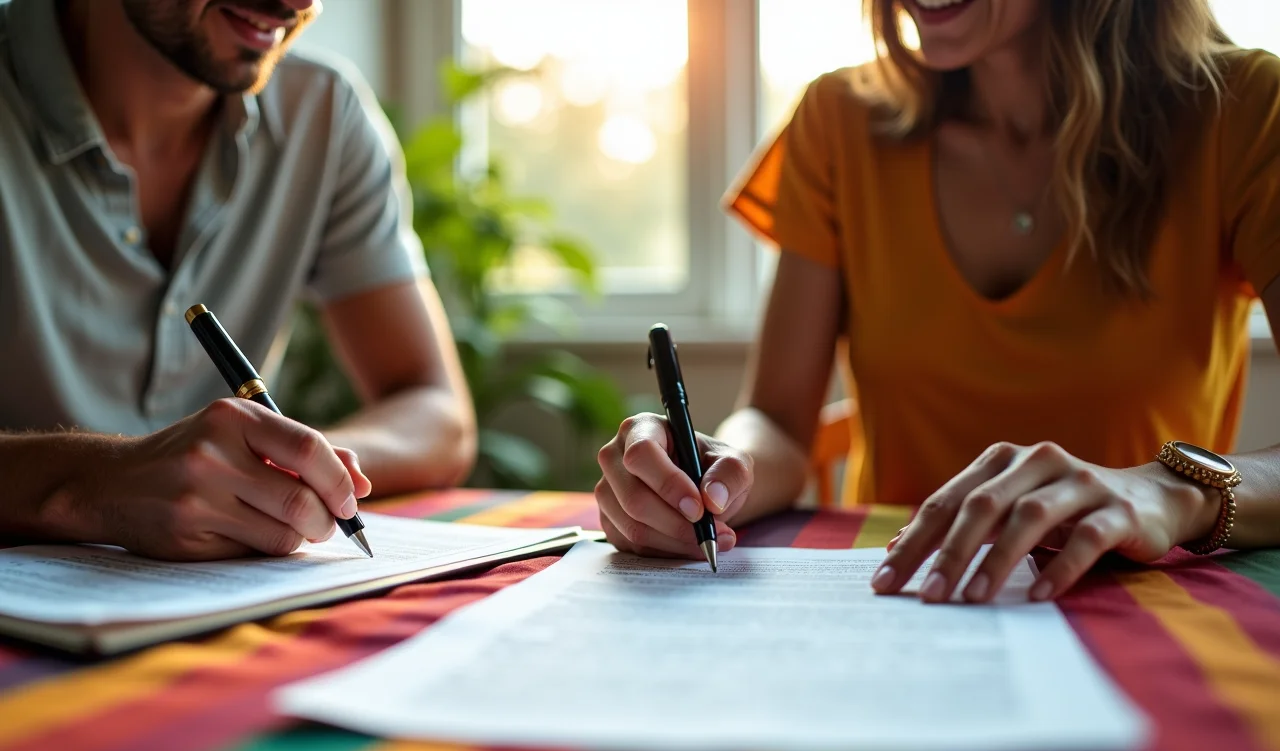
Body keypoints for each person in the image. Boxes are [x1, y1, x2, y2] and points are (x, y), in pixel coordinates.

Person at [596, 0, 1280, 602]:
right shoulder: (838, 122)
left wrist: (1172, 490)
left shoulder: (1246, 111)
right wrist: (713, 470)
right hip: (902, 597)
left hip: (1140, 602)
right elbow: (776, 420)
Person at [0, 0, 476, 560]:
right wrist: (95, 481)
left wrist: (291, 467)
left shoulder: (320, 112)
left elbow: (435, 412)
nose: (301, 4)